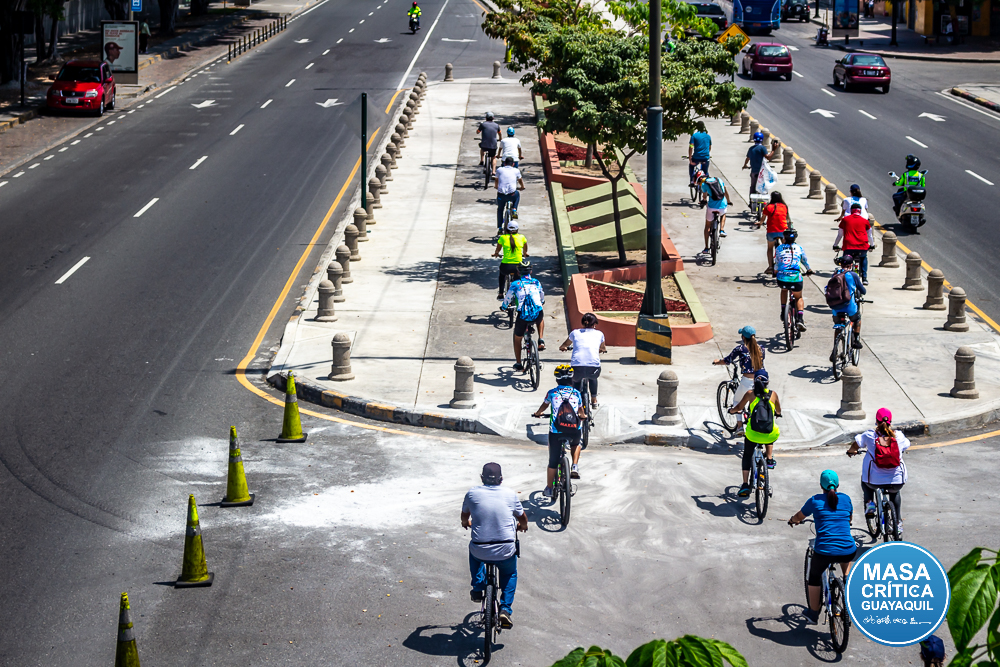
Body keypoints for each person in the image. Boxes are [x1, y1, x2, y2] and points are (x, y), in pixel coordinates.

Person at [461, 462, 528, 630]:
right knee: (510, 573)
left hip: (480, 547)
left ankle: (477, 587)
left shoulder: (472, 493)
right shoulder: (510, 494)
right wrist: (523, 526)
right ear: (501, 479)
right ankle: (505, 609)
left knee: (474, 552)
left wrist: (465, 523)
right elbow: (522, 517)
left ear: (482, 478)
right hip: (505, 549)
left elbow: (464, 515)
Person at [787, 470, 857, 625]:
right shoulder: (846, 499)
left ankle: (813, 613)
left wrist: (793, 521)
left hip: (825, 551)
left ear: (821, 486)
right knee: (845, 553)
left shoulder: (815, 501)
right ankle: (847, 584)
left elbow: (799, 516)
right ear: (838, 485)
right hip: (848, 549)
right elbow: (849, 518)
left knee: (814, 577)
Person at [846, 407, 911, 537]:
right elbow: (907, 444)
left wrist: (851, 451)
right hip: (897, 481)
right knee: (895, 492)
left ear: (876, 421)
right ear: (890, 421)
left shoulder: (869, 435)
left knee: (865, 483)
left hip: (873, 481)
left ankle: (870, 505)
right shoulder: (898, 436)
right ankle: (897, 522)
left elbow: (856, 443)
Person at [532, 365, 588, 493]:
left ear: (556, 379)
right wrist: (583, 416)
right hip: (574, 429)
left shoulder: (552, 393)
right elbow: (581, 412)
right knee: (576, 443)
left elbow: (544, 406)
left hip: (556, 431)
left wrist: (538, 413)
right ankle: (574, 466)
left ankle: (549, 488)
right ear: (572, 379)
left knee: (553, 461)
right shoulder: (576, 393)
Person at [729, 370, 781, 497]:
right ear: (767, 382)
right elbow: (778, 411)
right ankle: (769, 459)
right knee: (771, 432)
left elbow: (739, 408)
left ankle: (745, 484)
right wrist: (777, 413)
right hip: (770, 434)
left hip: (753, 433)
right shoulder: (773, 394)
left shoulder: (750, 394)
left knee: (747, 454)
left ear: (755, 381)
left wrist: (731, 411)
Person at [712, 325, 765, 435]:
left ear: (743, 337)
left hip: (748, 380)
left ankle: (740, 427)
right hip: (761, 380)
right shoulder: (762, 349)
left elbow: (728, 360)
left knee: (737, 401)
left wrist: (717, 362)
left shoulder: (740, 349)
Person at [501, 260, 545, 371]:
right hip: (537, 314)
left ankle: (518, 363)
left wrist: (504, 307)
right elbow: (541, 295)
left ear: (518, 271)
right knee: (540, 315)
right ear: (531, 270)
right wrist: (542, 301)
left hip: (523, 316)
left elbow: (508, 298)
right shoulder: (536, 282)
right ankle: (541, 339)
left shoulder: (515, 284)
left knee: (517, 338)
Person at [559, 313, 606, 409]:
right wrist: (601, 350)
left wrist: (563, 348)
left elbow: (564, 345)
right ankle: (594, 400)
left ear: (583, 323)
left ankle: (575, 401)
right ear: (595, 324)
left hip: (577, 366)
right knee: (593, 378)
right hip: (593, 367)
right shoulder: (599, 334)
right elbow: (603, 348)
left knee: (576, 381)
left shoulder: (575, 333)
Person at [774, 228, 813, 332]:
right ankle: (800, 319)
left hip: (782, 278)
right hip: (795, 278)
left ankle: (783, 311)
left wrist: (775, 272)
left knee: (784, 289)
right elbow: (804, 260)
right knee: (798, 297)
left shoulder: (779, 248)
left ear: (784, 237)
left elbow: (777, 263)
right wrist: (809, 270)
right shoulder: (799, 248)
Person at [826, 254, 866, 350]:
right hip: (849, 306)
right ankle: (856, 340)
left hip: (835, 306)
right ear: (851, 264)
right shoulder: (853, 275)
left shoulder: (835, 274)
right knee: (857, 319)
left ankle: (835, 349)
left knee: (838, 325)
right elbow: (863, 291)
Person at [834, 202, 875, 284]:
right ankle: (864, 278)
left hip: (849, 246)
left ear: (851, 210)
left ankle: (844, 276)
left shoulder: (845, 220)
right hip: (862, 246)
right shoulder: (865, 221)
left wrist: (835, 245)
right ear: (860, 211)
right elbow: (869, 235)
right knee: (863, 258)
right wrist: (872, 245)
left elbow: (840, 235)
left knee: (846, 261)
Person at [757, 190, 789, 275]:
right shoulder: (784, 206)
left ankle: (771, 267)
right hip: (783, 231)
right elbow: (787, 218)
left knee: (770, 248)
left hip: (771, 231)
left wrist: (759, 223)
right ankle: (786, 265)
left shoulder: (768, 207)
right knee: (786, 248)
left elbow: (763, 218)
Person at [492, 221, 527, 300]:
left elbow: (498, 249)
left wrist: (496, 253)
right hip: (518, 266)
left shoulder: (503, 238)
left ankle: (501, 294)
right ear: (517, 229)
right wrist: (525, 253)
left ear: (506, 229)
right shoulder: (522, 237)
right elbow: (525, 248)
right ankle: (519, 295)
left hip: (506, 267)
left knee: (502, 275)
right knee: (518, 279)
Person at [700, 174, 733, 254]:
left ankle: (706, 248)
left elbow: (704, 196)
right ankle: (722, 230)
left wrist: (704, 200)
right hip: (722, 206)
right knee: (723, 214)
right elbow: (725, 192)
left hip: (711, 207)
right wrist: (728, 201)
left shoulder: (704, 184)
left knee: (707, 226)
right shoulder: (719, 180)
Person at [742, 132, 778, 201]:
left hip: (754, 172)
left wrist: (745, 165)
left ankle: (751, 202)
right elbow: (768, 158)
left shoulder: (751, 149)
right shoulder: (762, 148)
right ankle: (764, 201)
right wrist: (773, 149)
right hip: (762, 172)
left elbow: (747, 158)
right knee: (764, 186)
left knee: (753, 186)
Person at [494, 156, 525, 231]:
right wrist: (522, 187)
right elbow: (520, 180)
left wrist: (496, 187)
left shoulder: (499, 170)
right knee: (517, 194)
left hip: (501, 195)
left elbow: (496, 180)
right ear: (513, 164)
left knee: (500, 209)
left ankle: (500, 228)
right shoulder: (516, 170)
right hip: (512, 195)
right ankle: (514, 209)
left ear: (504, 163)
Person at [688, 121, 712, 185]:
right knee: (705, 171)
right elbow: (709, 147)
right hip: (705, 157)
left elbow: (691, 147)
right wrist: (706, 153)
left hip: (696, 157)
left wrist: (690, 158)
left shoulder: (694, 136)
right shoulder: (708, 136)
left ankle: (692, 181)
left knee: (691, 166)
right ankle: (706, 181)